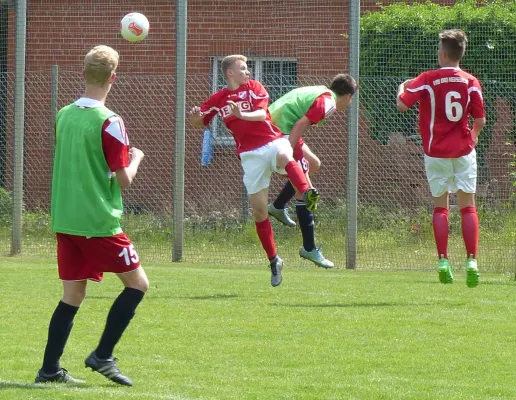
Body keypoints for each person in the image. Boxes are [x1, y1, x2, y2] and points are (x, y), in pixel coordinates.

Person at [35, 45, 149, 386]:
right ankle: (102, 355)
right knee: (138, 284)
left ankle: (49, 370)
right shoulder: (111, 122)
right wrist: (137, 156)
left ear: (84, 74)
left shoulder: (63, 114)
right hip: (97, 221)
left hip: (65, 219)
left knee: (72, 295)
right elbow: (123, 177)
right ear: (113, 78)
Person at [188, 54, 319, 287]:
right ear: (230, 73)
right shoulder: (219, 98)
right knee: (259, 213)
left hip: (271, 141)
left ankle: (306, 192)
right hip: (249, 156)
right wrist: (195, 118)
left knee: (285, 154)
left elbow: (261, 113)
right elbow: (200, 122)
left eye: (248, 68)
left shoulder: (255, 87)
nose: (248, 72)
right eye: (243, 68)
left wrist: (241, 115)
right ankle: (274, 260)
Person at [396, 29, 486, 287]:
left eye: (438, 48)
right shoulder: (471, 81)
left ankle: (443, 260)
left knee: (441, 207)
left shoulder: (428, 78)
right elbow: (480, 120)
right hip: (464, 152)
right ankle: (471, 260)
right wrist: (475, 136)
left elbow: (403, 104)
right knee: (468, 206)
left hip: (435, 152)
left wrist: (402, 87)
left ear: (444, 53)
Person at [267, 74, 358, 269]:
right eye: (351, 100)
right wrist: (288, 155)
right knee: (306, 192)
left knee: (314, 164)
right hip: (280, 132)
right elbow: (300, 124)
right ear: (348, 96)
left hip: (279, 127)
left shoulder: (322, 91)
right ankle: (309, 248)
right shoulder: (328, 102)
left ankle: (278, 206)